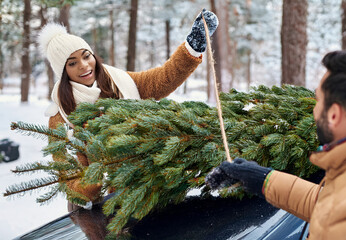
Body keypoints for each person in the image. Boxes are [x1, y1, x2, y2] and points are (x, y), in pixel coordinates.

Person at [206, 50, 346, 239]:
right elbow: (329, 204)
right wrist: (263, 179)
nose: (315, 111)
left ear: (334, 114)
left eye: (319, 101)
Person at [38, 9, 218, 211]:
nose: (84, 65)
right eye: (72, 63)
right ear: (64, 72)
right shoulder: (60, 114)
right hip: (93, 207)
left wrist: (192, 47)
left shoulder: (119, 82)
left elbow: (162, 79)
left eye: (86, 56)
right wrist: (93, 184)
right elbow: (65, 168)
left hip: (145, 185)